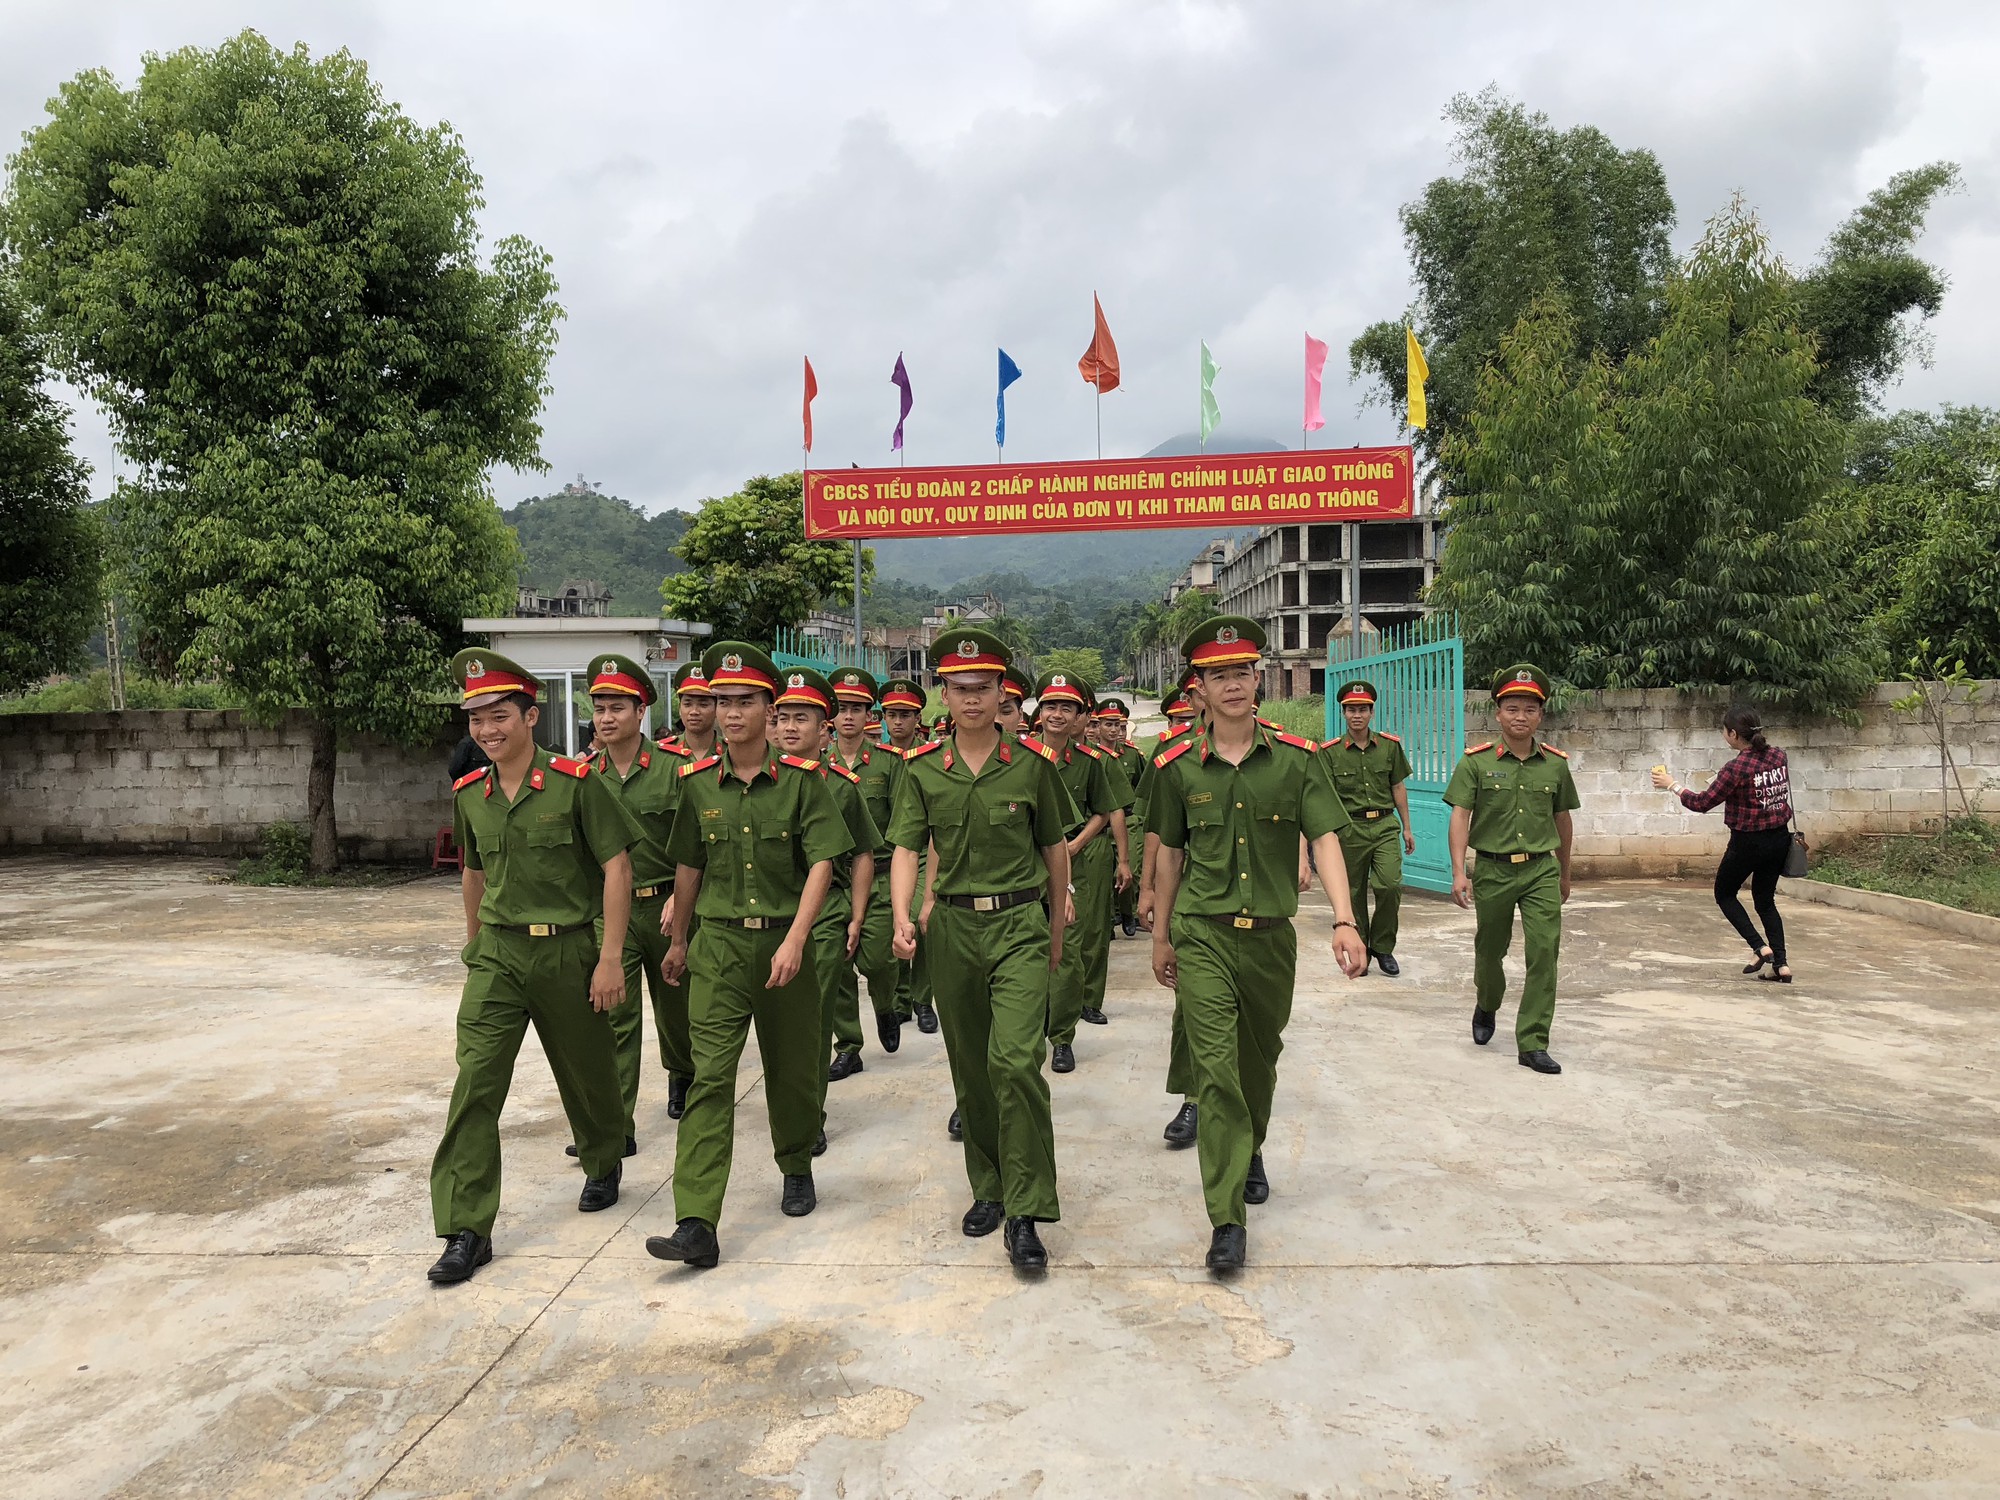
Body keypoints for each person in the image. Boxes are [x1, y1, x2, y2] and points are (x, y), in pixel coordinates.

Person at [1148, 616, 1368, 1271]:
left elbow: (1325, 837)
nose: (1233, 684)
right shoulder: (1175, 768)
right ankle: (1226, 1220)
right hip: (1203, 935)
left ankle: (1251, 1148)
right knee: (1216, 1074)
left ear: (1258, 679)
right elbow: (1169, 856)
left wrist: (1345, 919)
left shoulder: (1298, 760)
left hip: (1271, 939)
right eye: (1219, 675)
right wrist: (1160, 934)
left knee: (1258, 1063)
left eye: (1242, 672)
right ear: (1200, 688)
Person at [429, 649, 644, 1285]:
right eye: (476, 720)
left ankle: (603, 1157)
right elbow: (473, 873)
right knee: (475, 1084)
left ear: (530, 716)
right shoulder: (471, 794)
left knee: (588, 1072)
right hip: (498, 955)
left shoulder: (577, 783)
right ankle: (467, 1227)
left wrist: (610, 958)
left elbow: (617, 867)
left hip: (567, 949)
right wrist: (475, 946)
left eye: (499, 716)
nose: (487, 730)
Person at [645, 643, 852, 1269]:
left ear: (770, 709)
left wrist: (796, 938)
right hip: (720, 947)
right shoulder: (696, 783)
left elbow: (822, 862)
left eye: (745, 702)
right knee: (710, 1077)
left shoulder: (804, 783)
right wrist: (679, 939)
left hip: (785, 942)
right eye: (722, 701)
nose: (731, 713)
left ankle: (796, 1163)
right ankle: (696, 1220)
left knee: (792, 1068)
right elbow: (689, 865)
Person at [888, 626, 1074, 1270]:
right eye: (960, 688)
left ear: (1002, 694)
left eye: (984, 688)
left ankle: (1027, 1210)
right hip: (953, 931)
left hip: (1019, 925)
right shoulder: (921, 770)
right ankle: (989, 1188)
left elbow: (1054, 849)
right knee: (971, 1068)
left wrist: (1056, 931)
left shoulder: (1032, 766)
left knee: (1016, 1062)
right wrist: (903, 915)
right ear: (943, 694)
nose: (972, 699)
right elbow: (907, 847)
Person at [567, 654, 695, 1166]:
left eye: (617, 707)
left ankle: (682, 1072)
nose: (606, 718)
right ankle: (616, 1126)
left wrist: (681, 902)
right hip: (610, 915)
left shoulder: (675, 770)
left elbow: (695, 847)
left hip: (666, 906)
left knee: (677, 1010)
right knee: (613, 1019)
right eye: (599, 708)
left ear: (641, 712)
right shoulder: (581, 776)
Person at [767, 666, 883, 1149]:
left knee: (811, 1021)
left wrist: (856, 915)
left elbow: (862, 854)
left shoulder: (840, 784)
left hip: (825, 914)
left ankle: (809, 1114)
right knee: (777, 1024)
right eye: (783, 718)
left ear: (823, 729)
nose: (790, 728)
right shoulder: (756, 780)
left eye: (802, 718)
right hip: (767, 911)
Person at [1444, 664, 1579, 1076]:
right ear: (1498, 714)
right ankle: (1487, 1002)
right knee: (1490, 952)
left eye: (1530, 709)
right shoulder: (1476, 763)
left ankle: (1533, 1042)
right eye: (1513, 708)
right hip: (1493, 870)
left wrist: (1564, 872)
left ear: (1541, 715)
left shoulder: (1555, 765)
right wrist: (1459, 871)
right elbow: (1460, 816)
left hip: (1540, 871)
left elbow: (1563, 820)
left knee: (1544, 953)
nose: (1521, 717)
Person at [828, 666, 929, 1060]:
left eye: (857, 709)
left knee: (877, 959)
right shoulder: (817, 765)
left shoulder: (889, 763)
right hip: (834, 879)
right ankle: (848, 1045)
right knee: (837, 963)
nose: (848, 716)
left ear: (869, 715)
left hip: (882, 878)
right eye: (841, 708)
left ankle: (886, 1005)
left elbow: (904, 826)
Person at [1652, 706, 1796, 983]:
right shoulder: (1779, 756)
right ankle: (1781, 964)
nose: (1723, 735)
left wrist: (1672, 785)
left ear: (1733, 734)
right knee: (1765, 901)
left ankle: (1759, 947)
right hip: (1779, 838)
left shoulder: (1735, 768)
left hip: (1747, 843)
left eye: (1724, 731)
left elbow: (1701, 803)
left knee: (1725, 894)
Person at [1036, 671, 1131, 1068]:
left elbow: (1104, 811)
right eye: (1051, 706)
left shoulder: (1090, 762)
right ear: (1039, 712)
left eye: (1067, 707)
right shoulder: (1021, 757)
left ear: (1078, 716)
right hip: (1029, 864)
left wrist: (1076, 845)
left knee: (1071, 951)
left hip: (1076, 858)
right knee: (1029, 948)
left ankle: (1062, 1036)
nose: (1058, 714)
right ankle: (1034, 1022)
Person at [1319, 680, 1416, 977]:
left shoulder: (1389, 747)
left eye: (1362, 709)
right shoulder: (1330, 752)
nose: (1357, 715)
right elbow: (1326, 797)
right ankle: (1360, 951)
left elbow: (1398, 786)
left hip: (1385, 825)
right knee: (1353, 892)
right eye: (1351, 710)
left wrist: (1407, 827)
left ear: (1372, 712)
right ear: (1343, 713)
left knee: (1389, 884)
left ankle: (1383, 946)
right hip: (1350, 829)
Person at [1096, 698, 1147, 938]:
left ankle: (1128, 912)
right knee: (1104, 874)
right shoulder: (1093, 756)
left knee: (1130, 869)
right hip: (1101, 823)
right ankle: (1109, 918)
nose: (1114, 730)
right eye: (1108, 724)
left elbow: (1143, 788)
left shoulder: (1132, 755)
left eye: (1117, 725)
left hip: (1128, 820)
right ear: (1098, 726)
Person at [664, 661, 716, 757]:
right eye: (687, 704)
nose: (694, 711)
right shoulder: (662, 753)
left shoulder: (732, 752)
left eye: (703, 705)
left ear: (717, 709)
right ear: (680, 709)